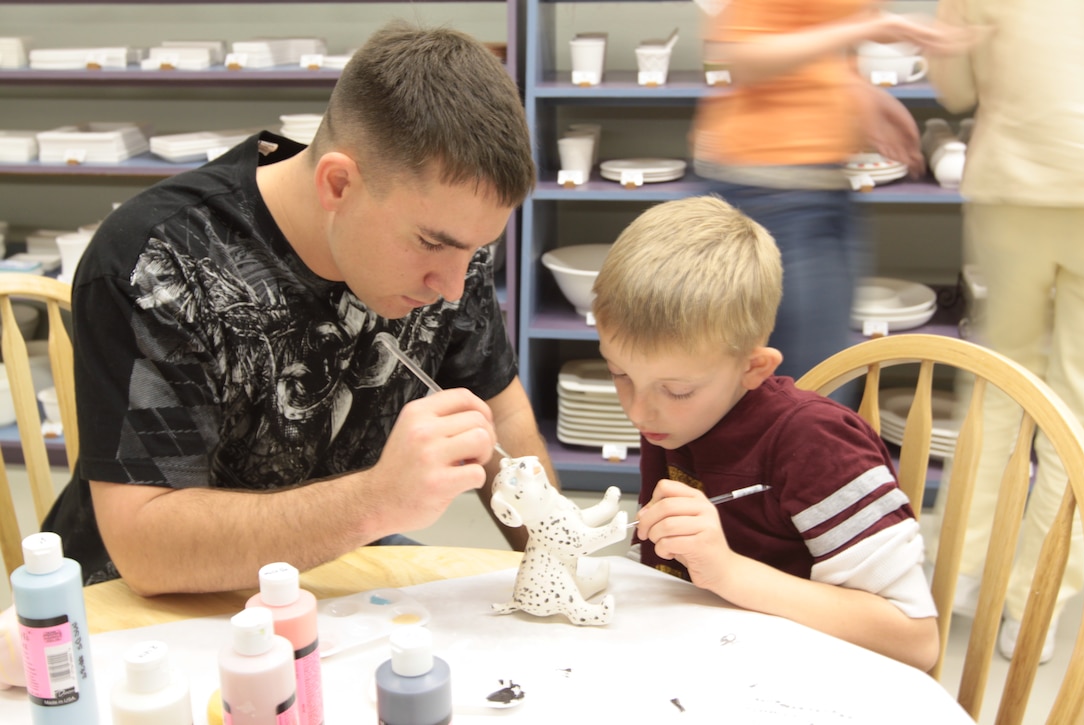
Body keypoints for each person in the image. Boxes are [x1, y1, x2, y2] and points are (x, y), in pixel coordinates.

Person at [39, 21, 554, 597]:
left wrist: (556, 546)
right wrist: (378, 500)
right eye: (433, 244)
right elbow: (147, 548)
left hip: (331, 558)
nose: (455, 287)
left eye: (475, 250)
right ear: (339, 184)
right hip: (153, 602)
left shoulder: (449, 247)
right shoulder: (158, 261)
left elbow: (499, 414)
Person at [591, 195, 939, 670]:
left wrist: (728, 571)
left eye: (675, 389)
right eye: (620, 374)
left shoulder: (818, 445)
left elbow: (914, 640)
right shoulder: (677, 422)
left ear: (753, 368)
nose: (637, 409)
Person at [927, 0, 1084, 663]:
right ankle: (1033, 605)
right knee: (1078, 410)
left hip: (1011, 184)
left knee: (998, 382)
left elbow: (957, 88)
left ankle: (960, 570)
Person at [693, 3, 968, 382]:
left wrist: (855, 90)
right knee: (808, 385)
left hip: (816, 186)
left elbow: (805, 31)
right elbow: (744, 57)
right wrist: (862, 28)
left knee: (820, 378)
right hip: (767, 187)